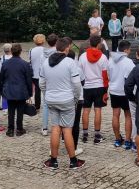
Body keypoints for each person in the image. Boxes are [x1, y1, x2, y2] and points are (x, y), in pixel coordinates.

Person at [40, 37, 85, 170]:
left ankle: (53, 160)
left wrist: (47, 93)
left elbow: (41, 83)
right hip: (67, 100)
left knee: (55, 128)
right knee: (67, 129)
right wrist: (76, 98)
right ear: (66, 49)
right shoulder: (70, 62)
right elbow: (77, 84)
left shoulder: (46, 62)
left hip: (51, 99)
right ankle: (73, 161)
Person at [78, 34, 110, 144]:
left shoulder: (82, 57)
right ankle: (97, 135)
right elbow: (105, 75)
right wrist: (106, 90)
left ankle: (85, 134)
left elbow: (79, 74)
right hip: (99, 86)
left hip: (86, 86)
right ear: (99, 44)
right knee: (98, 110)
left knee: (86, 110)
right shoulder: (103, 57)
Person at [0, 43, 33, 137]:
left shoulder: (5, 63)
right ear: (20, 52)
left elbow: (1, 78)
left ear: (12, 51)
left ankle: (10, 129)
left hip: (9, 90)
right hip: (21, 91)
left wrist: (2, 90)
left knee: (11, 111)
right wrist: (30, 93)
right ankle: (19, 129)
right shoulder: (25, 64)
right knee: (20, 111)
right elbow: (28, 80)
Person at [108, 40, 135, 149]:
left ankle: (118, 139)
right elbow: (132, 79)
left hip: (114, 90)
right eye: (129, 50)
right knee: (128, 116)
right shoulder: (129, 62)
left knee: (115, 115)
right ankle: (128, 140)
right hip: (125, 92)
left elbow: (108, 75)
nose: (129, 51)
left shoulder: (110, 61)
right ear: (125, 50)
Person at [38, 34, 58, 135]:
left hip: (44, 79)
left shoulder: (43, 54)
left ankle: (45, 128)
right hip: (55, 79)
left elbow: (41, 68)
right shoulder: (58, 53)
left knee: (46, 104)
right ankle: (58, 126)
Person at [30, 34, 46, 111]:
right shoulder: (45, 50)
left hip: (34, 72)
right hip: (44, 73)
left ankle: (37, 106)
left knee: (37, 90)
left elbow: (30, 61)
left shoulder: (31, 50)